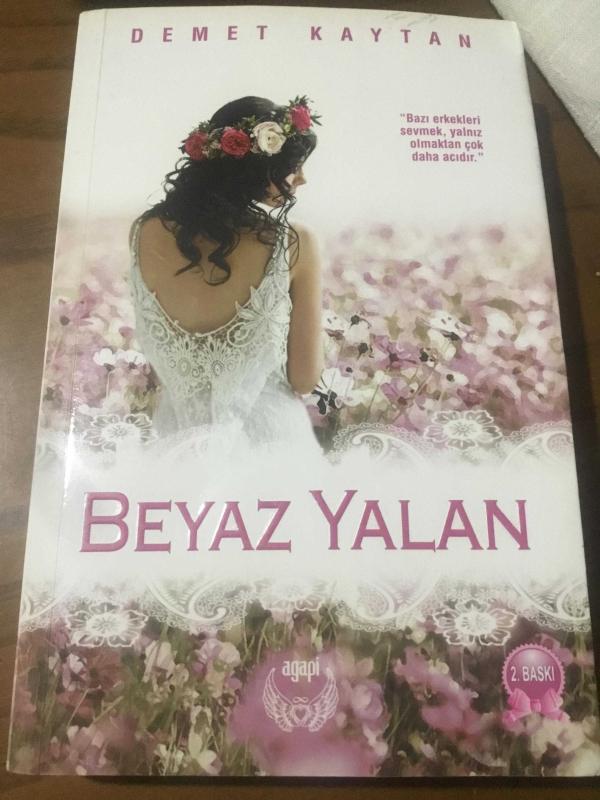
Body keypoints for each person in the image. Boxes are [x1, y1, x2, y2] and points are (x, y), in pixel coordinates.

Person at [128, 95, 323, 455]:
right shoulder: (295, 243)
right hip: (271, 448)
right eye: (293, 167)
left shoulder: (143, 232)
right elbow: (305, 378)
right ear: (254, 168)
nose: (302, 179)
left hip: (175, 448)